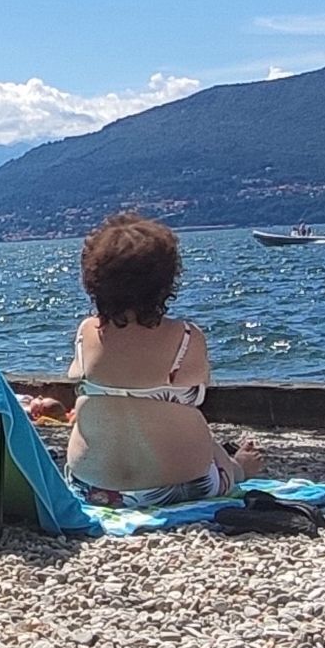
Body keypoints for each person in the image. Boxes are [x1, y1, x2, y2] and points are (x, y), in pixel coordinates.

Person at [64, 213, 263, 508]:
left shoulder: (85, 333)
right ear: (166, 281)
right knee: (205, 439)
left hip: (93, 488)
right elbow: (199, 386)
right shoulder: (185, 337)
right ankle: (239, 468)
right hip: (180, 486)